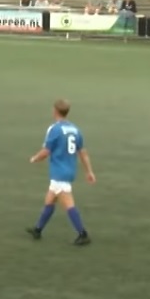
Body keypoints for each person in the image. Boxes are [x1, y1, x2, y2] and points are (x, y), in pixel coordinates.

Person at [27, 99, 95, 245]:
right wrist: (89, 171)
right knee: (50, 200)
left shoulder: (55, 129)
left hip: (59, 173)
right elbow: (83, 153)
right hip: (69, 171)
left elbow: (46, 151)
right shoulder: (75, 130)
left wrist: (34, 158)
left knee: (68, 204)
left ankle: (83, 234)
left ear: (55, 111)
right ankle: (38, 230)